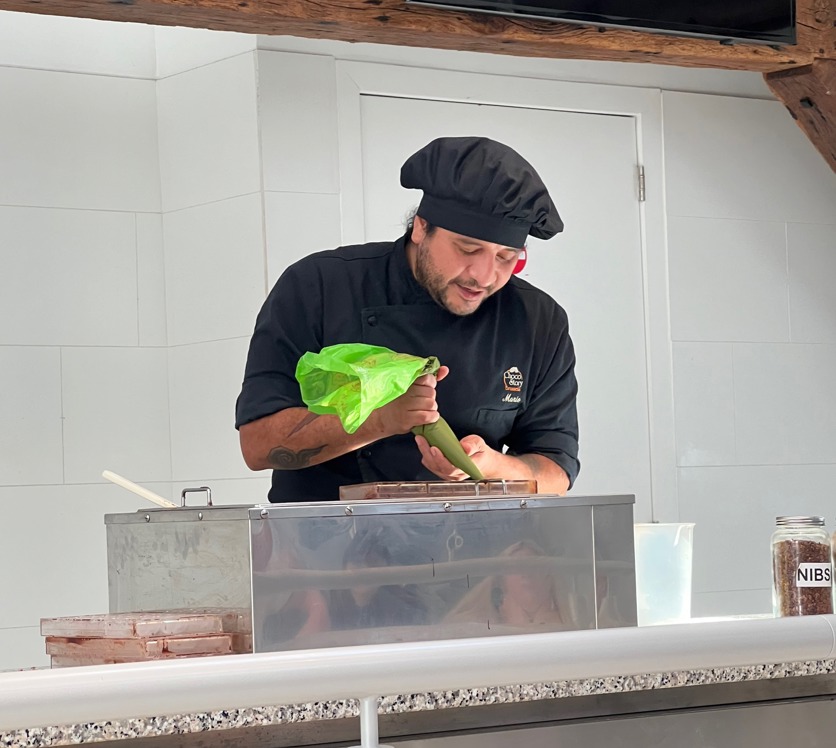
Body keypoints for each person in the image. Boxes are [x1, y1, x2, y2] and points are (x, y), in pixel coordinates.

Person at [235, 136, 579, 502]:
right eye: (467, 249)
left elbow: (556, 470)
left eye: (507, 257)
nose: (483, 275)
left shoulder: (536, 321)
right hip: (323, 545)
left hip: (469, 546)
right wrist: (381, 419)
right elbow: (257, 445)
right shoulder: (319, 286)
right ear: (420, 227)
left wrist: (489, 465)